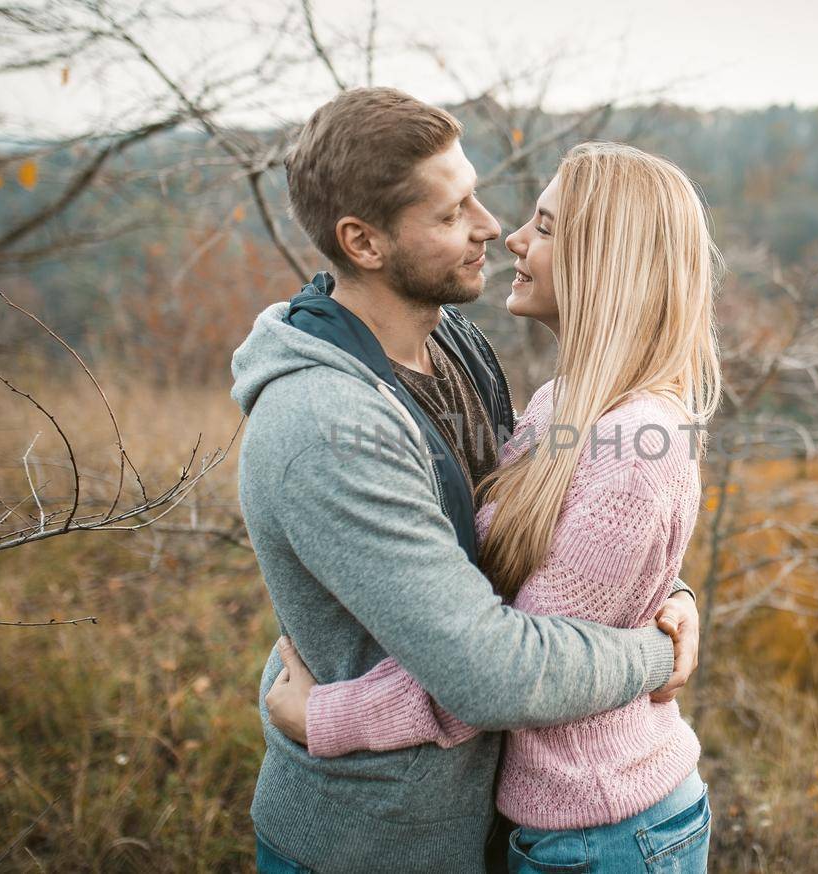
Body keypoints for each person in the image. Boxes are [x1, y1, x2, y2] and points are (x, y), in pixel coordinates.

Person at [230, 88, 701, 873]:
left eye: (478, 195)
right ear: (364, 243)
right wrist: (653, 651)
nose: (491, 226)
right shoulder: (322, 422)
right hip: (370, 842)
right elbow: (490, 671)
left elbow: (551, 529)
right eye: (452, 213)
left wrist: (666, 587)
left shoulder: (455, 345)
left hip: (497, 822)